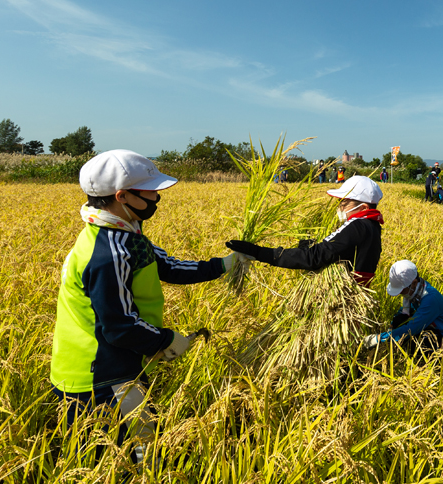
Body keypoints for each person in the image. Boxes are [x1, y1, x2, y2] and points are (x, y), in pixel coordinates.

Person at [51, 150, 246, 464]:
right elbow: (119, 325)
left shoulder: (126, 234)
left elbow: (168, 267)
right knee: (135, 460)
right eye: (151, 191)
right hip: (101, 376)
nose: (157, 197)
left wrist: (226, 264)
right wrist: (166, 341)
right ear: (123, 195)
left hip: (114, 365)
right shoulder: (110, 252)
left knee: (128, 454)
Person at [226, 176, 384, 286]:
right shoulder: (373, 227)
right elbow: (331, 253)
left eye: (344, 203)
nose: (339, 207)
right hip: (353, 298)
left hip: (340, 306)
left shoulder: (358, 226)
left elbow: (313, 258)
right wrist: (306, 245)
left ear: (363, 207)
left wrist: (260, 252)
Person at [363, 260, 443, 349]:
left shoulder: (430, 299)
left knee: (412, 342)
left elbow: (412, 328)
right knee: (400, 325)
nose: (400, 293)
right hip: (428, 326)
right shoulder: (417, 291)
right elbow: (405, 312)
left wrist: (379, 338)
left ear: (414, 283)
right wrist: (392, 326)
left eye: (402, 290)